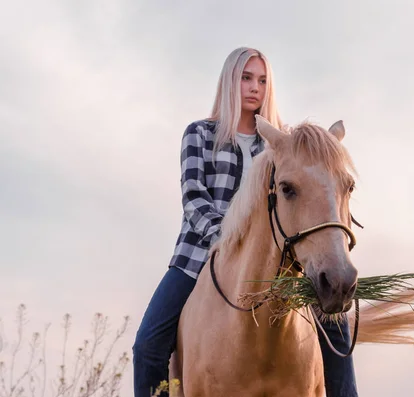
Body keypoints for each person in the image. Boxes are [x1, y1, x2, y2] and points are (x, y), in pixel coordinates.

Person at [132, 47, 358, 397]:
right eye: (247, 78)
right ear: (229, 82)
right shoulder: (199, 134)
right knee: (147, 344)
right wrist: (226, 241)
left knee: (337, 330)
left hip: (275, 264)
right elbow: (194, 197)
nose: (255, 87)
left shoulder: (283, 144)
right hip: (197, 257)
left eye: (263, 80)